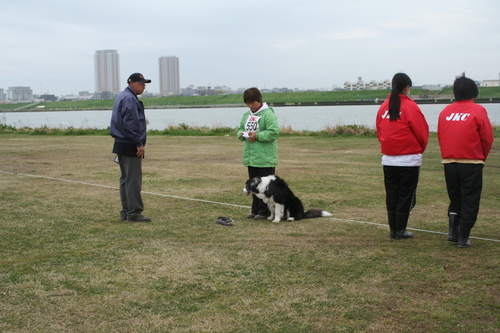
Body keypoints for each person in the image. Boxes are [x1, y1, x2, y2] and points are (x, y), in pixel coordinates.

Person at [437, 75, 494, 248]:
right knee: (470, 200)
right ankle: (463, 238)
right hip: (471, 162)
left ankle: (453, 233)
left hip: (449, 162)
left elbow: (441, 135)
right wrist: (481, 157)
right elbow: (487, 138)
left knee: (455, 199)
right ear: (473, 92)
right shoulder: (478, 110)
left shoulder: (445, 111)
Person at [376, 73, 429, 239]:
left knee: (392, 194)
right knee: (405, 195)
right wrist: (419, 149)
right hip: (408, 159)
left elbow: (380, 130)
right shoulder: (410, 107)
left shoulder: (384, 106)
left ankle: (393, 229)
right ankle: (400, 230)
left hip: (389, 158)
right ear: (407, 87)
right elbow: (422, 132)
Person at [110, 73, 152, 222]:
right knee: (133, 180)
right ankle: (134, 213)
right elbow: (131, 124)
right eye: (141, 84)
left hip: (121, 142)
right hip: (129, 143)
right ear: (131, 83)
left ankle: (126, 212)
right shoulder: (129, 99)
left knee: (126, 179)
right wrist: (139, 144)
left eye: (145, 84)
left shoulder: (124, 96)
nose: (143, 87)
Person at [237, 88, 279, 220]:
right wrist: (242, 134)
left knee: (265, 186)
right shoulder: (246, 115)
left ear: (259, 99)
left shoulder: (268, 114)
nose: (250, 106)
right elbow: (239, 130)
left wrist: (257, 136)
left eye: (252, 102)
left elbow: (273, 132)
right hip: (251, 157)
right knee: (253, 185)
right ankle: (255, 210)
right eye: (247, 103)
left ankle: (264, 211)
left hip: (265, 157)